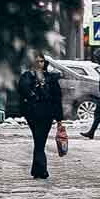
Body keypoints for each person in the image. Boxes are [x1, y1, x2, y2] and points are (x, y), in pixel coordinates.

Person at [16, 52, 65, 180]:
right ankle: (41, 170)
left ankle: (38, 170)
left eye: (41, 61)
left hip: (47, 114)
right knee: (39, 140)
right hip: (32, 114)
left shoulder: (50, 78)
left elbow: (57, 98)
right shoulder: (27, 76)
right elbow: (23, 89)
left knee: (39, 142)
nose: (39, 64)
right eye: (36, 61)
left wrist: (59, 119)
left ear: (45, 63)